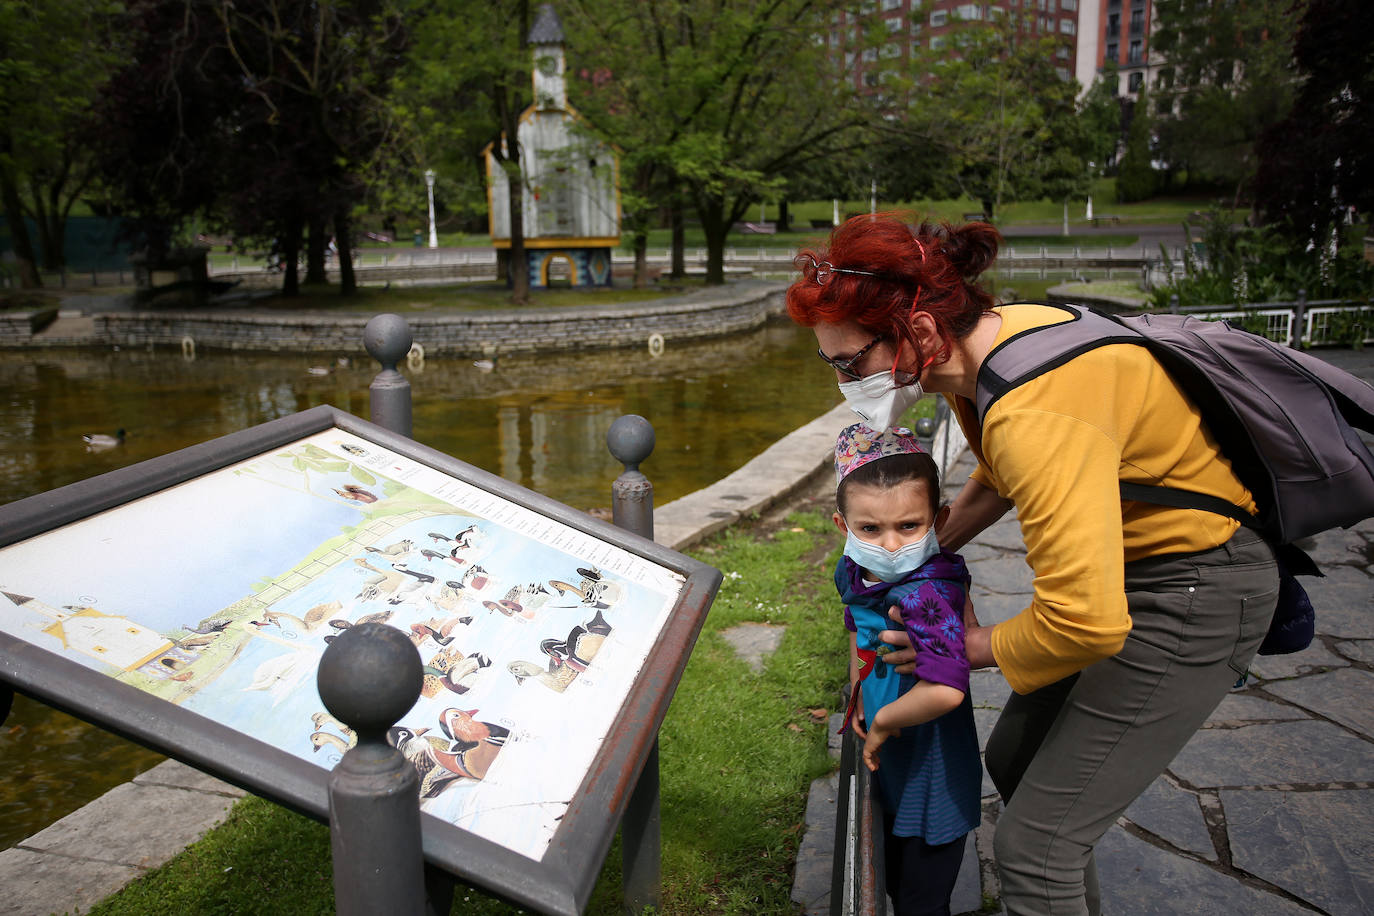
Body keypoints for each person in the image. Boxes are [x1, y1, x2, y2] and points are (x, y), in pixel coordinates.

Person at [788, 214, 1280, 915]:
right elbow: (995, 475)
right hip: (1132, 561)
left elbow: (1083, 621)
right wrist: (924, 554)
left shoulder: (1034, 413)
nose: (842, 381)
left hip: (1195, 586)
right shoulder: (984, 353)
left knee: (1034, 850)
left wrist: (962, 646)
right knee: (1014, 758)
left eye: (848, 362)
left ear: (920, 334)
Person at [832, 421, 981, 916]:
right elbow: (856, 619)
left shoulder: (925, 594)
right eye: (870, 529)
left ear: (937, 519)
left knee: (921, 896)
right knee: (888, 872)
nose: (891, 545)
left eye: (909, 526)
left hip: (931, 767)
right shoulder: (853, 569)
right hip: (890, 750)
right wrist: (859, 688)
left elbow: (945, 692)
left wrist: (882, 724)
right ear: (843, 526)